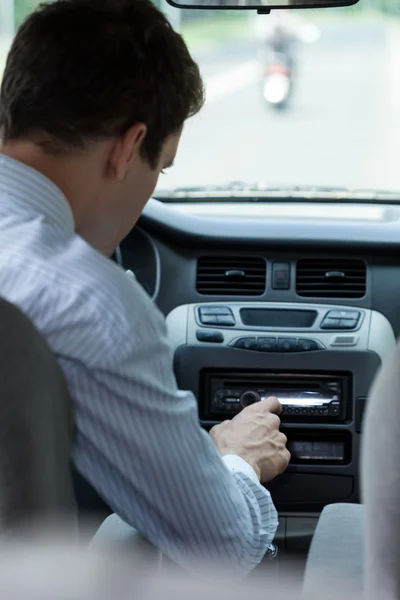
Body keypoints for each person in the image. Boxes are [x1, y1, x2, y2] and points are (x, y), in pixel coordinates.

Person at [0, 0, 290, 574]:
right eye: (164, 167)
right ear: (129, 147)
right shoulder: (89, 301)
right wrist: (235, 459)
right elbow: (220, 547)